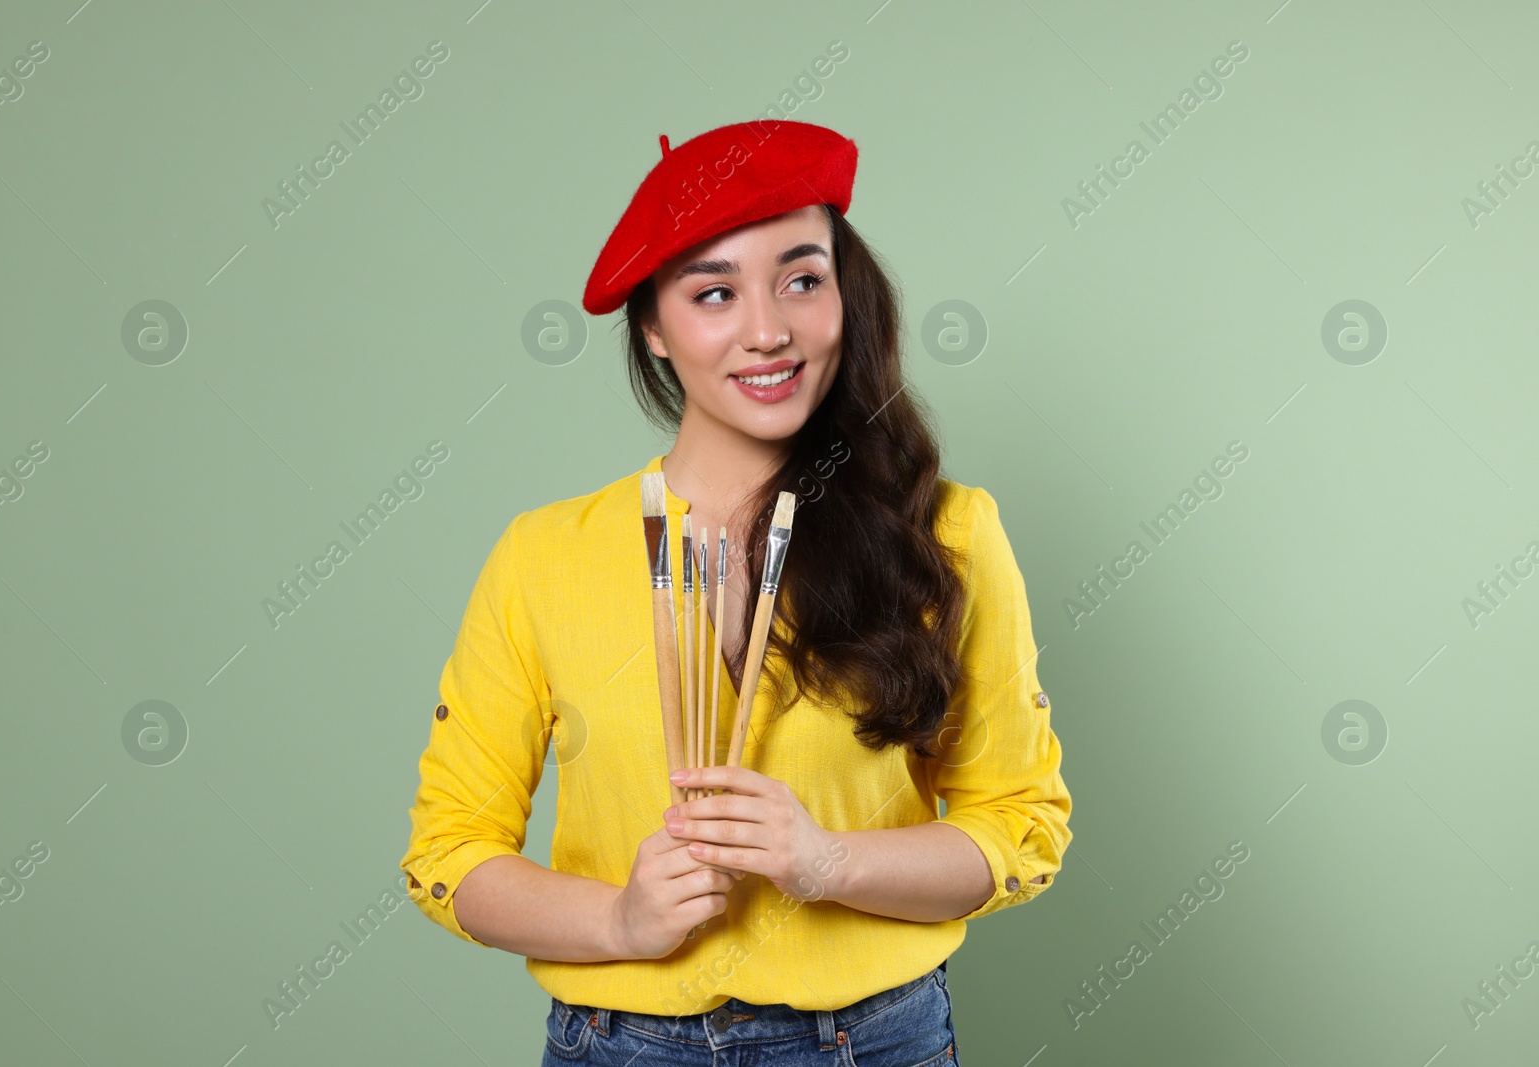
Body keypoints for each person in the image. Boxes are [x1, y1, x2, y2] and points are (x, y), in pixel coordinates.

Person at [400, 119, 1071, 1066]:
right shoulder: (542, 555)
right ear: (654, 328)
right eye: (714, 292)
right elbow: (450, 852)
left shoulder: (946, 533)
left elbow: (1020, 825)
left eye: (803, 278)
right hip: (618, 1042)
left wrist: (825, 861)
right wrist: (621, 919)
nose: (768, 329)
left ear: (849, 293)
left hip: (871, 1039)